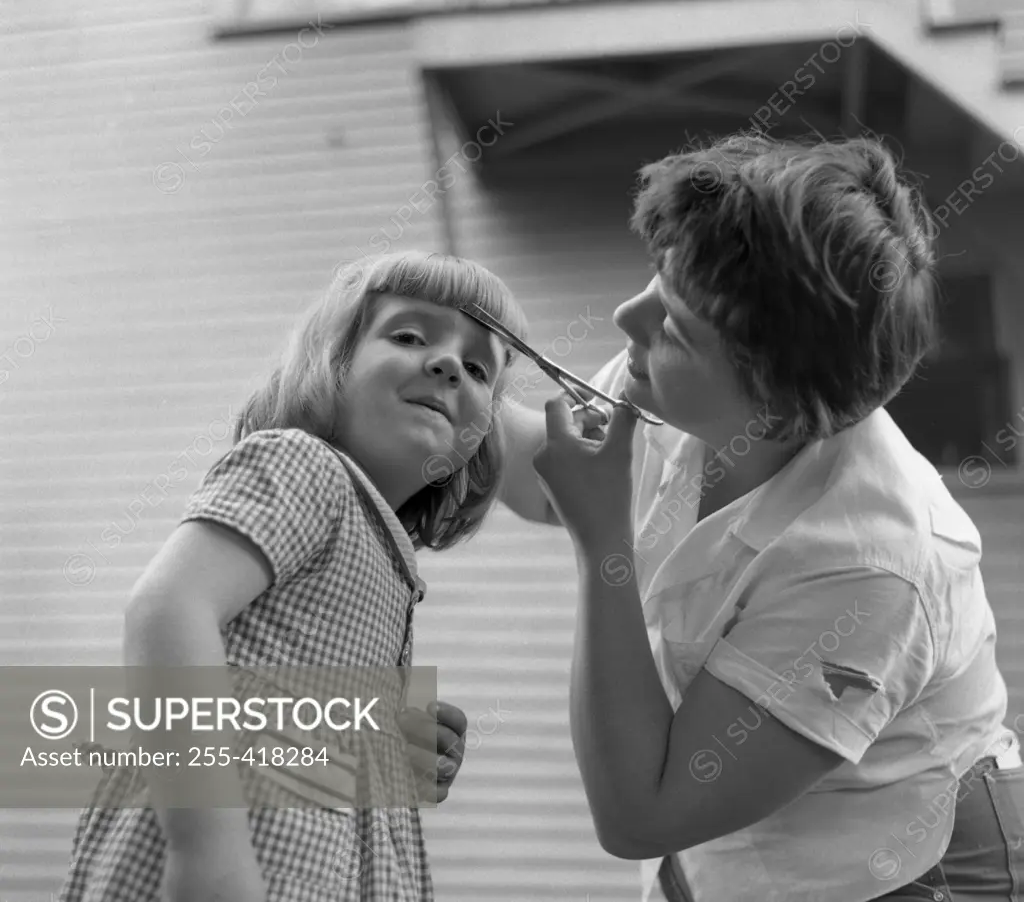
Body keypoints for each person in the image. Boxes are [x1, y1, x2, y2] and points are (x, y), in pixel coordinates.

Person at [499, 134, 1024, 902]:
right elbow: (537, 471)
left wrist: (602, 543)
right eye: (656, 279)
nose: (627, 316)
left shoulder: (871, 565)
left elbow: (639, 814)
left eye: (673, 327)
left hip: (904, 869)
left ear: (777, 408)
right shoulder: (683, 380)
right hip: (732, 843)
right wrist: (423, 376)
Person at [57, 250, 529, 902]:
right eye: (409, 335)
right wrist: (207, 852)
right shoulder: (306, 466)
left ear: (477, 439)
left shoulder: (384, 553)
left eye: (478, 367)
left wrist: (386, 749)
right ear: (332, 365)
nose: (448, 362)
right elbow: (167, 608)